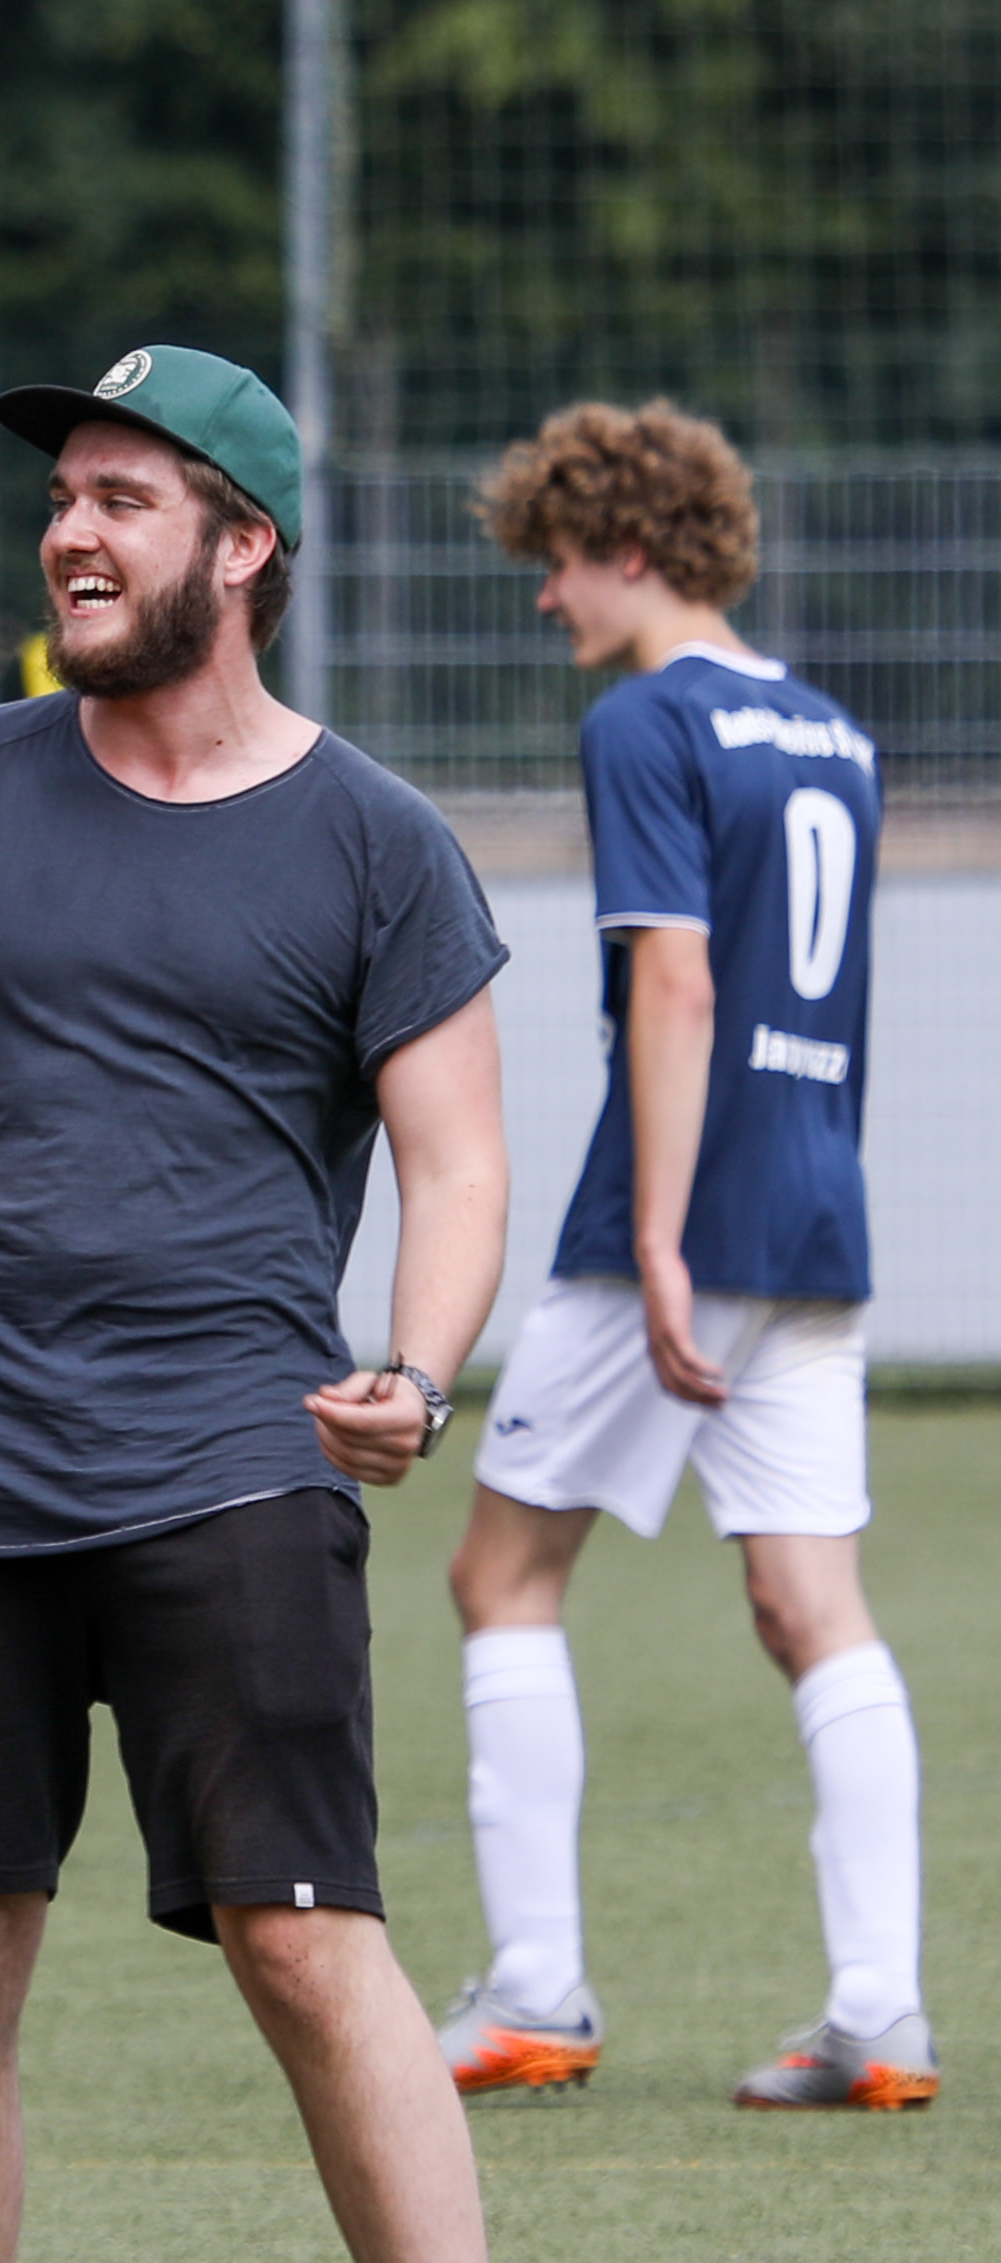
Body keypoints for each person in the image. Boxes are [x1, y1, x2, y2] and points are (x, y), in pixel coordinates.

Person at [0, 347, 574, 2263]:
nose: (73, 529)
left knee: (306, 1942)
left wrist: (416, 1366)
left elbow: (459, 1160)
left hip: (233, 1461)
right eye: (65, 496)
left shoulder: (375, 839)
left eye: (127, 496)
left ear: (246, 545)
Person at [438, 402, 926, 2111]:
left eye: (559, 563)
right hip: (816, 1207)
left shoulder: (649, 721)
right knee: (813, 1605)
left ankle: (535, 1994)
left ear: (629, 550)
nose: (546, 598)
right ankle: (882, 2014)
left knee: (502, 1576)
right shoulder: (835, 735)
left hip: (686, 1205)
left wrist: (652, 1233)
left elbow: (679, 978)